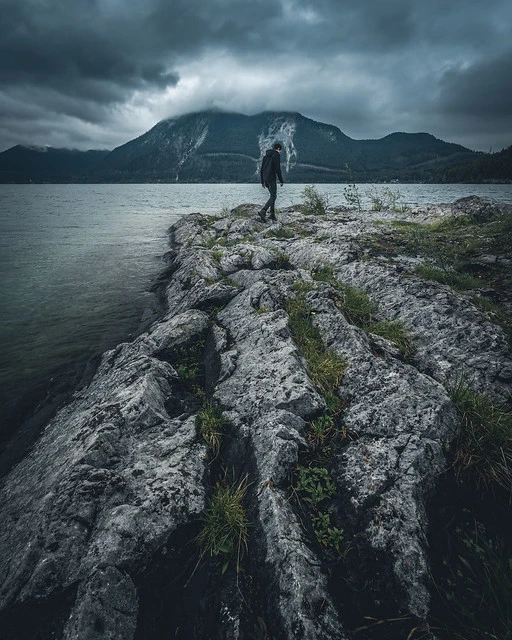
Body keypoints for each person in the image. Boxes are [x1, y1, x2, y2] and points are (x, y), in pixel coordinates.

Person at [259, 142, 284, 221]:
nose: (279, 152)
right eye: (280, 150)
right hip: (271, 178)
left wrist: (262, 181)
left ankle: (272, 214)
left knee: (272, 195)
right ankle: (264, 211)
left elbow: (262, 169)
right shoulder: (276, 155)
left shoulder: (265, 156)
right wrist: (281, 180)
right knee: (273, 196)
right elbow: (277, 169)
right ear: (278, 149)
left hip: (265, 179)